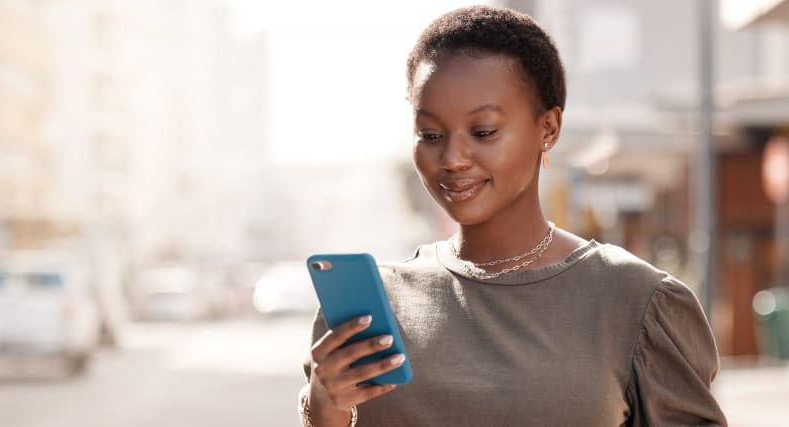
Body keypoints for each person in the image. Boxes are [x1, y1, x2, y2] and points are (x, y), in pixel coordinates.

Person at [298, 6, 727, 426]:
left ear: (548, 129)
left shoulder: (637, 302)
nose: (453, 158)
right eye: (430, 134)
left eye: (483, 132)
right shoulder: (371, 310)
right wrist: (325, 410)